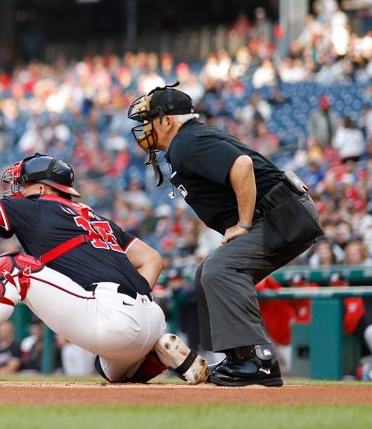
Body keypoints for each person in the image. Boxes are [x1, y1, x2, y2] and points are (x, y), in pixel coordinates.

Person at [0, 153, 209, 385]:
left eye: (24, 185)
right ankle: (156, 350)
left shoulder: (37, 207)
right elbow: (153, 258)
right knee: (111, 372)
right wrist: (136, 302)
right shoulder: (95, 218)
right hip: (150, 317)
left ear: (43, 189)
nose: (17, 191)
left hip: (113, 316)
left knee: (10, 268)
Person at [127, 85, 324, 387]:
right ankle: (237, 359)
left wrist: (244, 224)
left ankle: (259, 361)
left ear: (166, 120)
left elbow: (241, 166)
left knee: (221, 269)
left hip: (281, 214)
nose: (144, 129)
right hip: (280, 211)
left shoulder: (186, 142)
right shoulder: (190, 140)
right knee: (207, 271)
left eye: (149, 120)